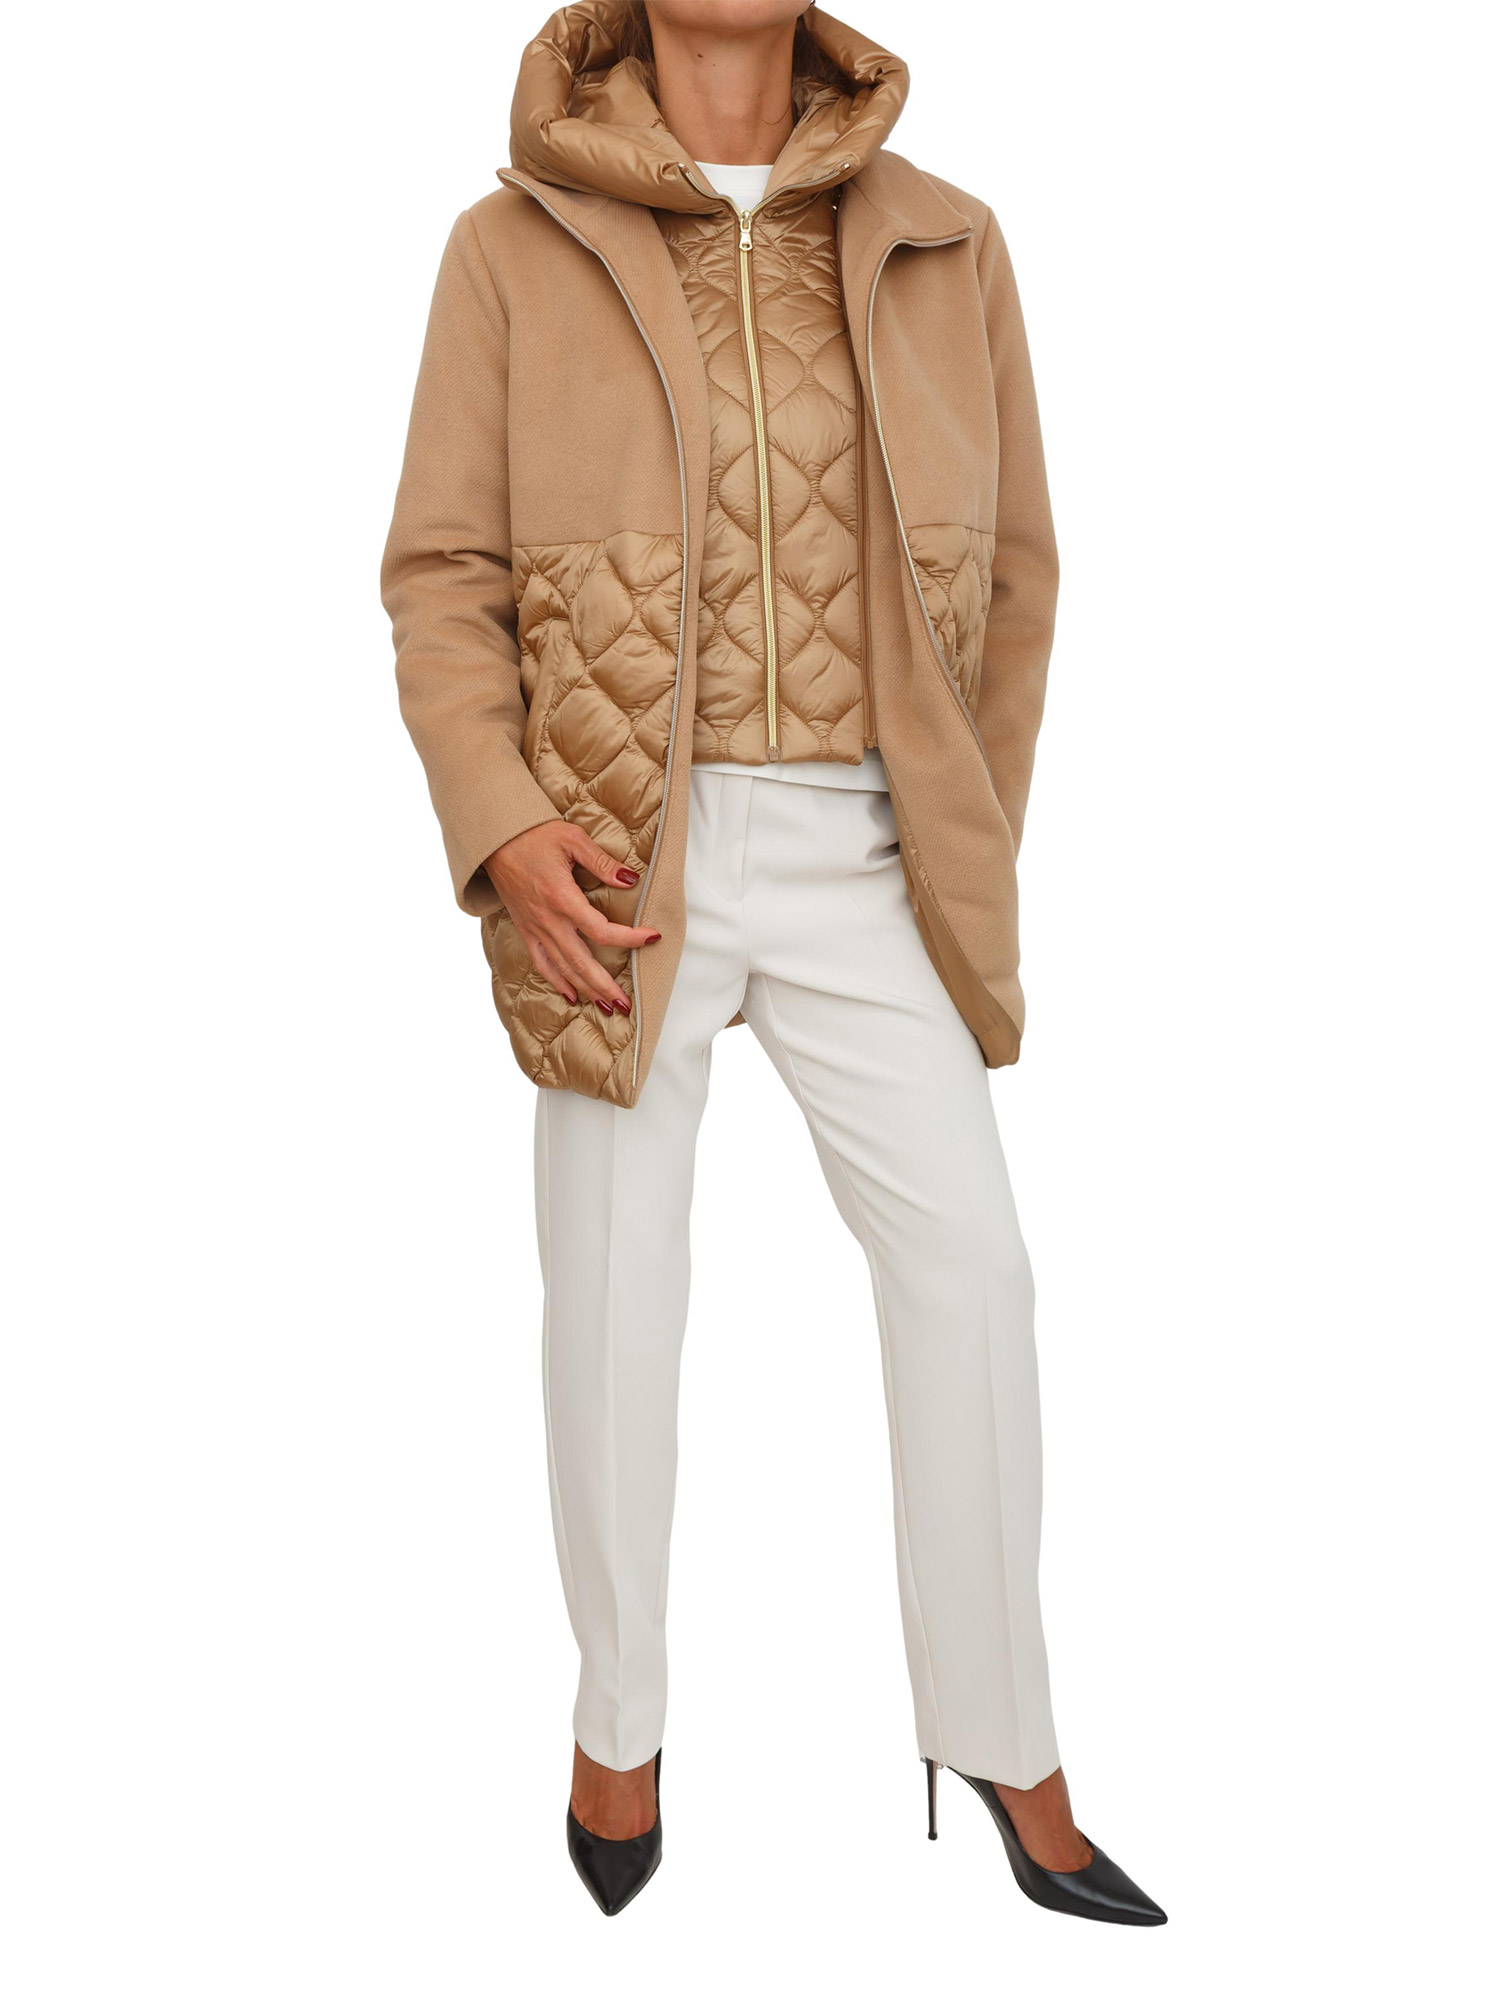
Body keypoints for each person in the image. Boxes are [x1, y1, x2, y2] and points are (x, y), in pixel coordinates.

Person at [381, 0, 1165, 1925]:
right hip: (617, 855)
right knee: (614, 1301)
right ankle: (618, 1728)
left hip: (866, 848)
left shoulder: (943, 239)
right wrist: (502, 824)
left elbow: (1021, 576)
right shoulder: (511, 245)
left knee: (972, 1275)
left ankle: (1003, 1738)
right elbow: (441, 575)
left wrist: (965, 824)